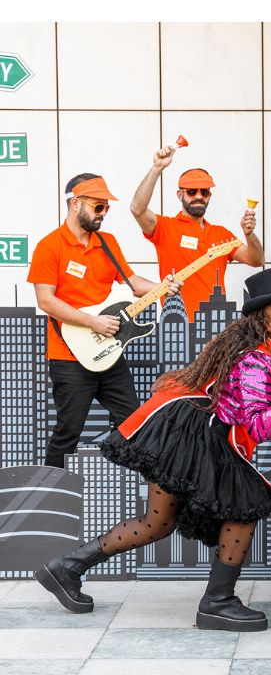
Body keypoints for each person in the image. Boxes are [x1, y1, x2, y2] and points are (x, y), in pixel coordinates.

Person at [36, 266, 271, 632]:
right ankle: (217, 602)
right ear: (267, 324)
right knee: (244, 508)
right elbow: (258, 427)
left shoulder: (266, 347)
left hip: (183, 431)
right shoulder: (257, 362)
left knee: (156, 523)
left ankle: (66, 566)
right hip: (197, 438)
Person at [28, 173, 182, 469]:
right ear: (75, 204)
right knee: (67, 433)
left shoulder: (107, 242)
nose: (103, 213)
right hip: (69, 358)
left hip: (109, 353)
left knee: (133, 422)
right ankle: (50, 493)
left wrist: (163, 287)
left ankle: (140, 486)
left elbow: (131, 282)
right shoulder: (50, 246)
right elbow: (45, 300)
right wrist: (92, 322)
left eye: (106, 207)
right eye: (98, 206)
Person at [129, 145, 264, 319]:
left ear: (209, 196)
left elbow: (256, 260)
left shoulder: (221, 234)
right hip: (178, 324)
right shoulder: (165, 227)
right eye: (192, 192)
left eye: (204, 191)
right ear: (180, 195)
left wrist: (249, 234)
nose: (199, 196)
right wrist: (157, 167)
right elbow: (137, 209)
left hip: (217, 324)